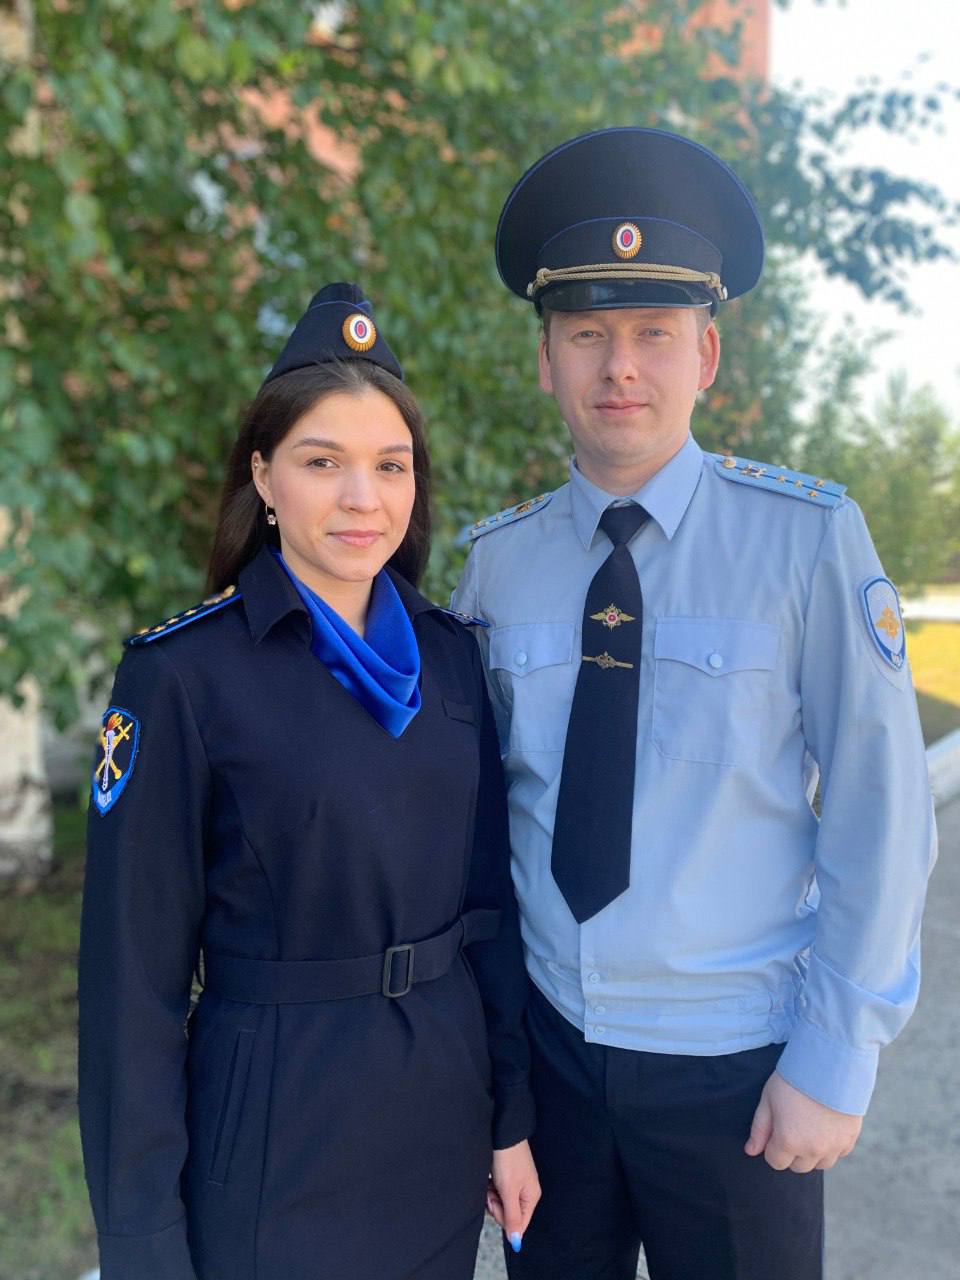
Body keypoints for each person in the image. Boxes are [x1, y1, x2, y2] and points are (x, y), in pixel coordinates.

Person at [452, 128, 936, 1280]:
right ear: (546, 358)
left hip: (741, 1071)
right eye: (588, 333)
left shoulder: (806, 541)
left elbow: (882, 809)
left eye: (655, 333)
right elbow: (472, 825)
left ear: (706, 352)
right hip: (552, 1059)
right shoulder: (497, 567)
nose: (621, 367)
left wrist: (836, 1055)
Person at [78, 282, 540, 1280]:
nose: (362, 498)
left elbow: (489, 913)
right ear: (264, 475)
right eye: (322, 461)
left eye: (390, 464)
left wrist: (509, 1116)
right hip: (276, 1135)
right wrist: (141, 1244)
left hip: (438, 1116)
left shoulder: (452, 657)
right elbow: (131, 990)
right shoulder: (183, 676)